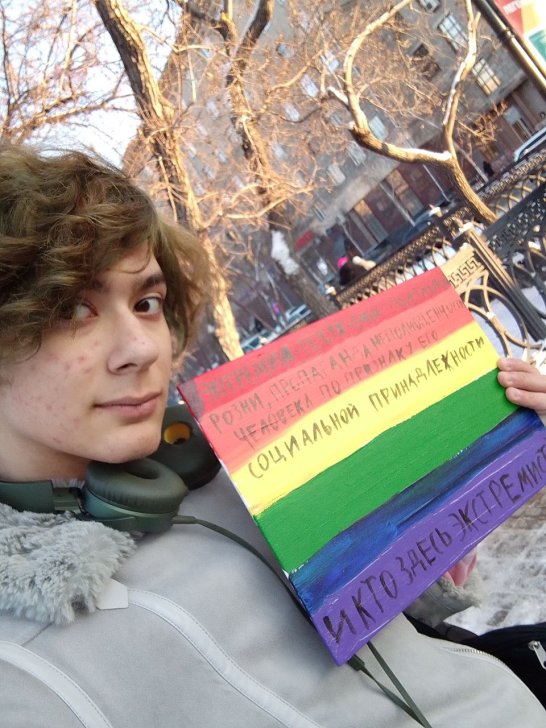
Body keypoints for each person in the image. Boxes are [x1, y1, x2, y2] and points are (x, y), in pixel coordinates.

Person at [0, 143, 545, 728]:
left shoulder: (230, 465)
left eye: (147, 302)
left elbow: (412, 612)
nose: (141, 347)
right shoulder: (20, 676)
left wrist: (473, 478)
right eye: (73, 311)